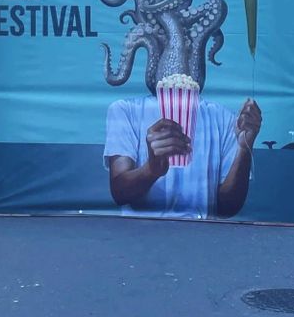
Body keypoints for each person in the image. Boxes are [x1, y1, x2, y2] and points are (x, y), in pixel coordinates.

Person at [104, 83, 262, 218]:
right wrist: (150, 170)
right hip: (141, 238)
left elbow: (228, 207)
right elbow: (120, 192)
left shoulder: (224, 118)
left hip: (201, 238)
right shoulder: (125, 110)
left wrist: (244, 148)